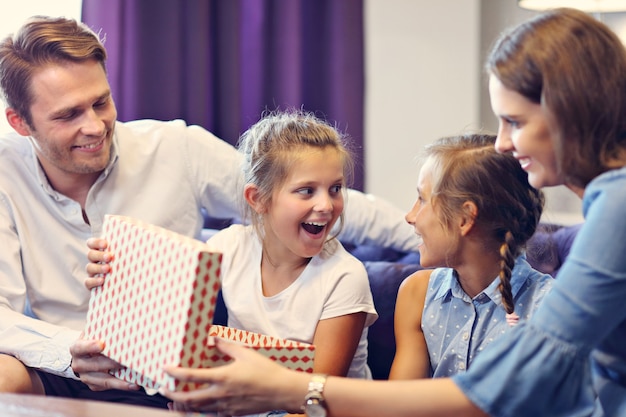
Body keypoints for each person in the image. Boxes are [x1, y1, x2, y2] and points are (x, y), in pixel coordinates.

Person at [159, 8, 626, 417]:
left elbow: (497, 392)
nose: (503, 142)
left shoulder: (618, 211)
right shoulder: (610, 203)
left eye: (516, 121)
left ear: (569, 109)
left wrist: (291, 389)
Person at [0, 15, 418, 408]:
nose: (94, 126)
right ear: (20, 122)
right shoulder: (5, 173)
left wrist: (435, 238)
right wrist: (69, 354)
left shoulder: (176, 148)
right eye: (68, 115)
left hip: (162, 373)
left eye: (101, 102)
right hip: (60, 368)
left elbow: (292, 193)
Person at [83, 110, 378, 416]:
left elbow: (317, 397)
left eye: (335, 189)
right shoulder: (230, 246)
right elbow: (159, 302)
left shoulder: (345, 276)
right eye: (307, 191)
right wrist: (112, 272)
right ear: (258, 199)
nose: (327, 205)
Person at [389, 133, 552, 380]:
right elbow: (399, 404)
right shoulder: (417, 294)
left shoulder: (548, 307)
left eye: (422, 199)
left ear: (465, 218)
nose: (410, 216)